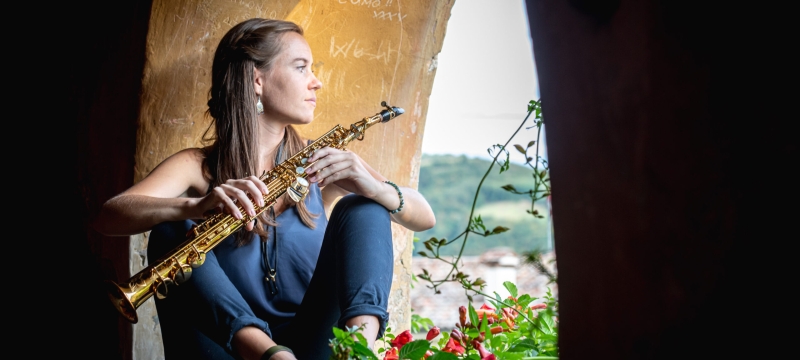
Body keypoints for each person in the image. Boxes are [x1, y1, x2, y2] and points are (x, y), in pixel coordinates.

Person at [93, 18, 435, 360]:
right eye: (301, 68)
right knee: (172, 229)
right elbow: (109, 216)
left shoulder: (322, 161)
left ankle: (359, 349)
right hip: (233, 350)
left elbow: (425, 218)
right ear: (257, 80)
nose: (316, 83)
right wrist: (194, 206)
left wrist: (375, 186)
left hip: (316, 347)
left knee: (366, 204)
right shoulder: (197, 166)